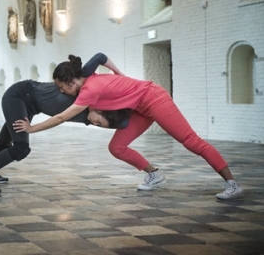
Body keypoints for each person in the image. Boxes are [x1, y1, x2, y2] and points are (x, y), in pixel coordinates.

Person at [13, 55, 244, 200]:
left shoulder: (88, 90)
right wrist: (120, 75)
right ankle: (154, 175)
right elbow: (101, 56)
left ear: (72, 81)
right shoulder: (87, 76)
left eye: (62, 87)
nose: (61, 92)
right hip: (139, 109)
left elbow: (61, 117)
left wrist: (32, 129)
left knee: (191, 141)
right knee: (117, 147)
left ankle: (232, 184)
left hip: (155, 99)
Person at [0, 52, 125, 195]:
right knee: (21, 148)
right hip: (19, 95)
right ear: (70, 82)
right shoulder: (81, 82)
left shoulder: (89, 114)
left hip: (30, 106)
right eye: (60, 87)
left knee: (4, 140)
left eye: (99, 125)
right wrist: (120, 74)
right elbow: (99, 57)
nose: (96, 124)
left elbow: (123, 122)